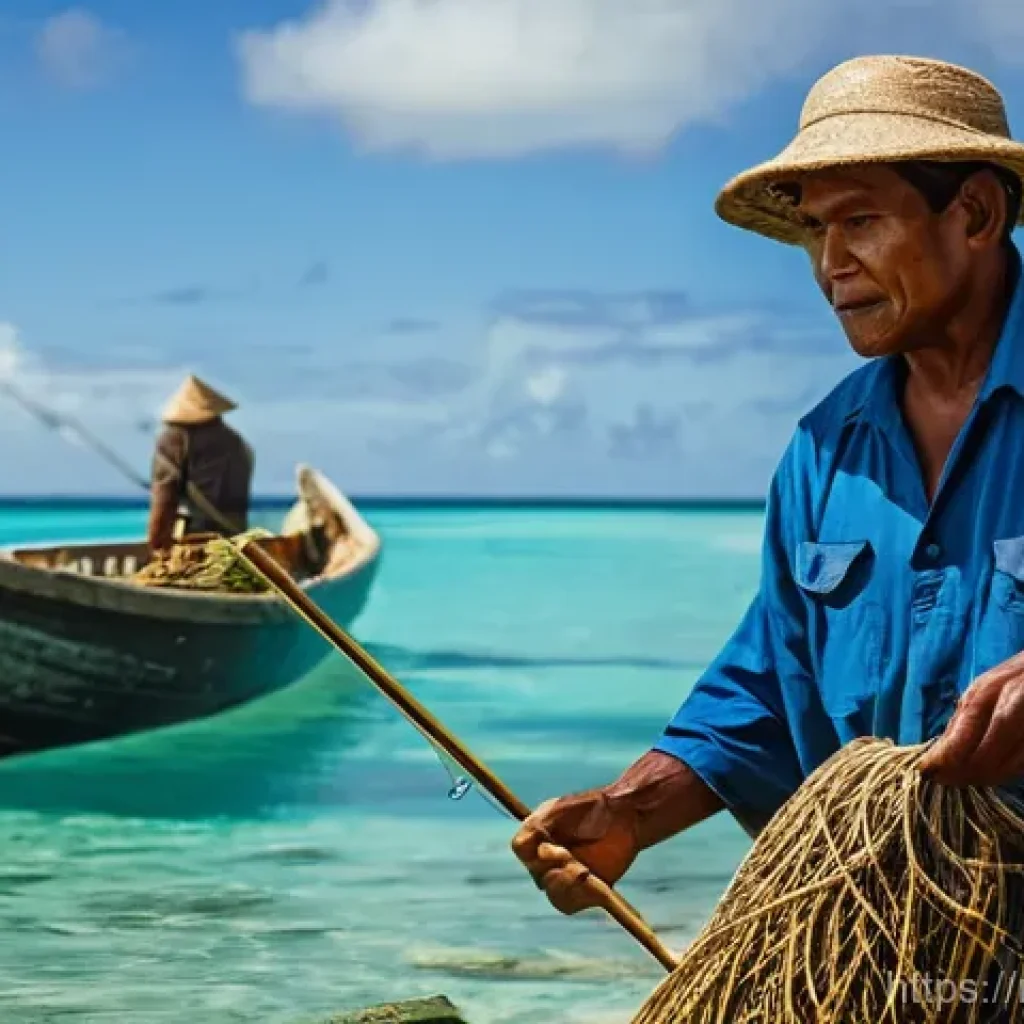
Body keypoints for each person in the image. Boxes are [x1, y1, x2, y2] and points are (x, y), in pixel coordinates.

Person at [511, 54, 1024, 915]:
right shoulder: (824, 451)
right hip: (893, 927)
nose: (831, 263)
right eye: (816, 231)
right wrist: (631, 812)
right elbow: (766, 687)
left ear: (974, 213)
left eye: (860, 220)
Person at [147, 374, 253, 551]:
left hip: (195, 546)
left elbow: (164, 501)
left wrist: (157, 550)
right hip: (235, 546)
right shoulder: (237, 443)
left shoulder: (174, 439)